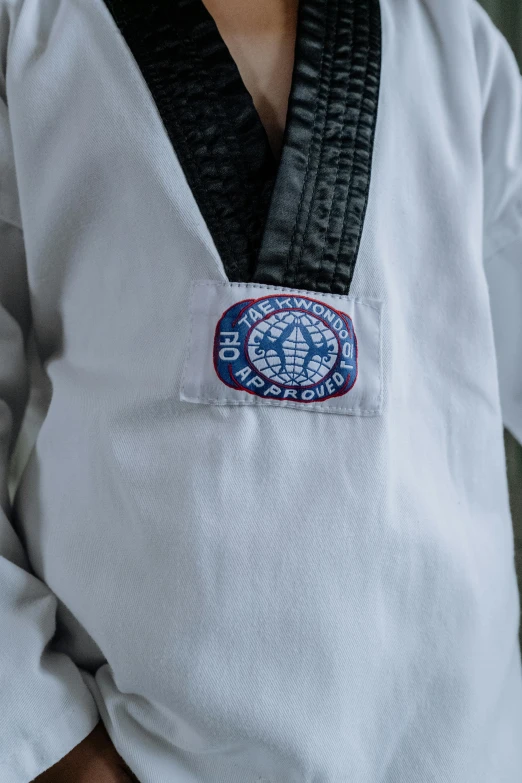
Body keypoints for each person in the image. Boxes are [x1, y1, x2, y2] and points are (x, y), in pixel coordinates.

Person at [1, 0, 521, 780]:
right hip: (136, 748)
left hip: (455, 749)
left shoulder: (452, 41)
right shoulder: (31, 29)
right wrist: (42, 737)